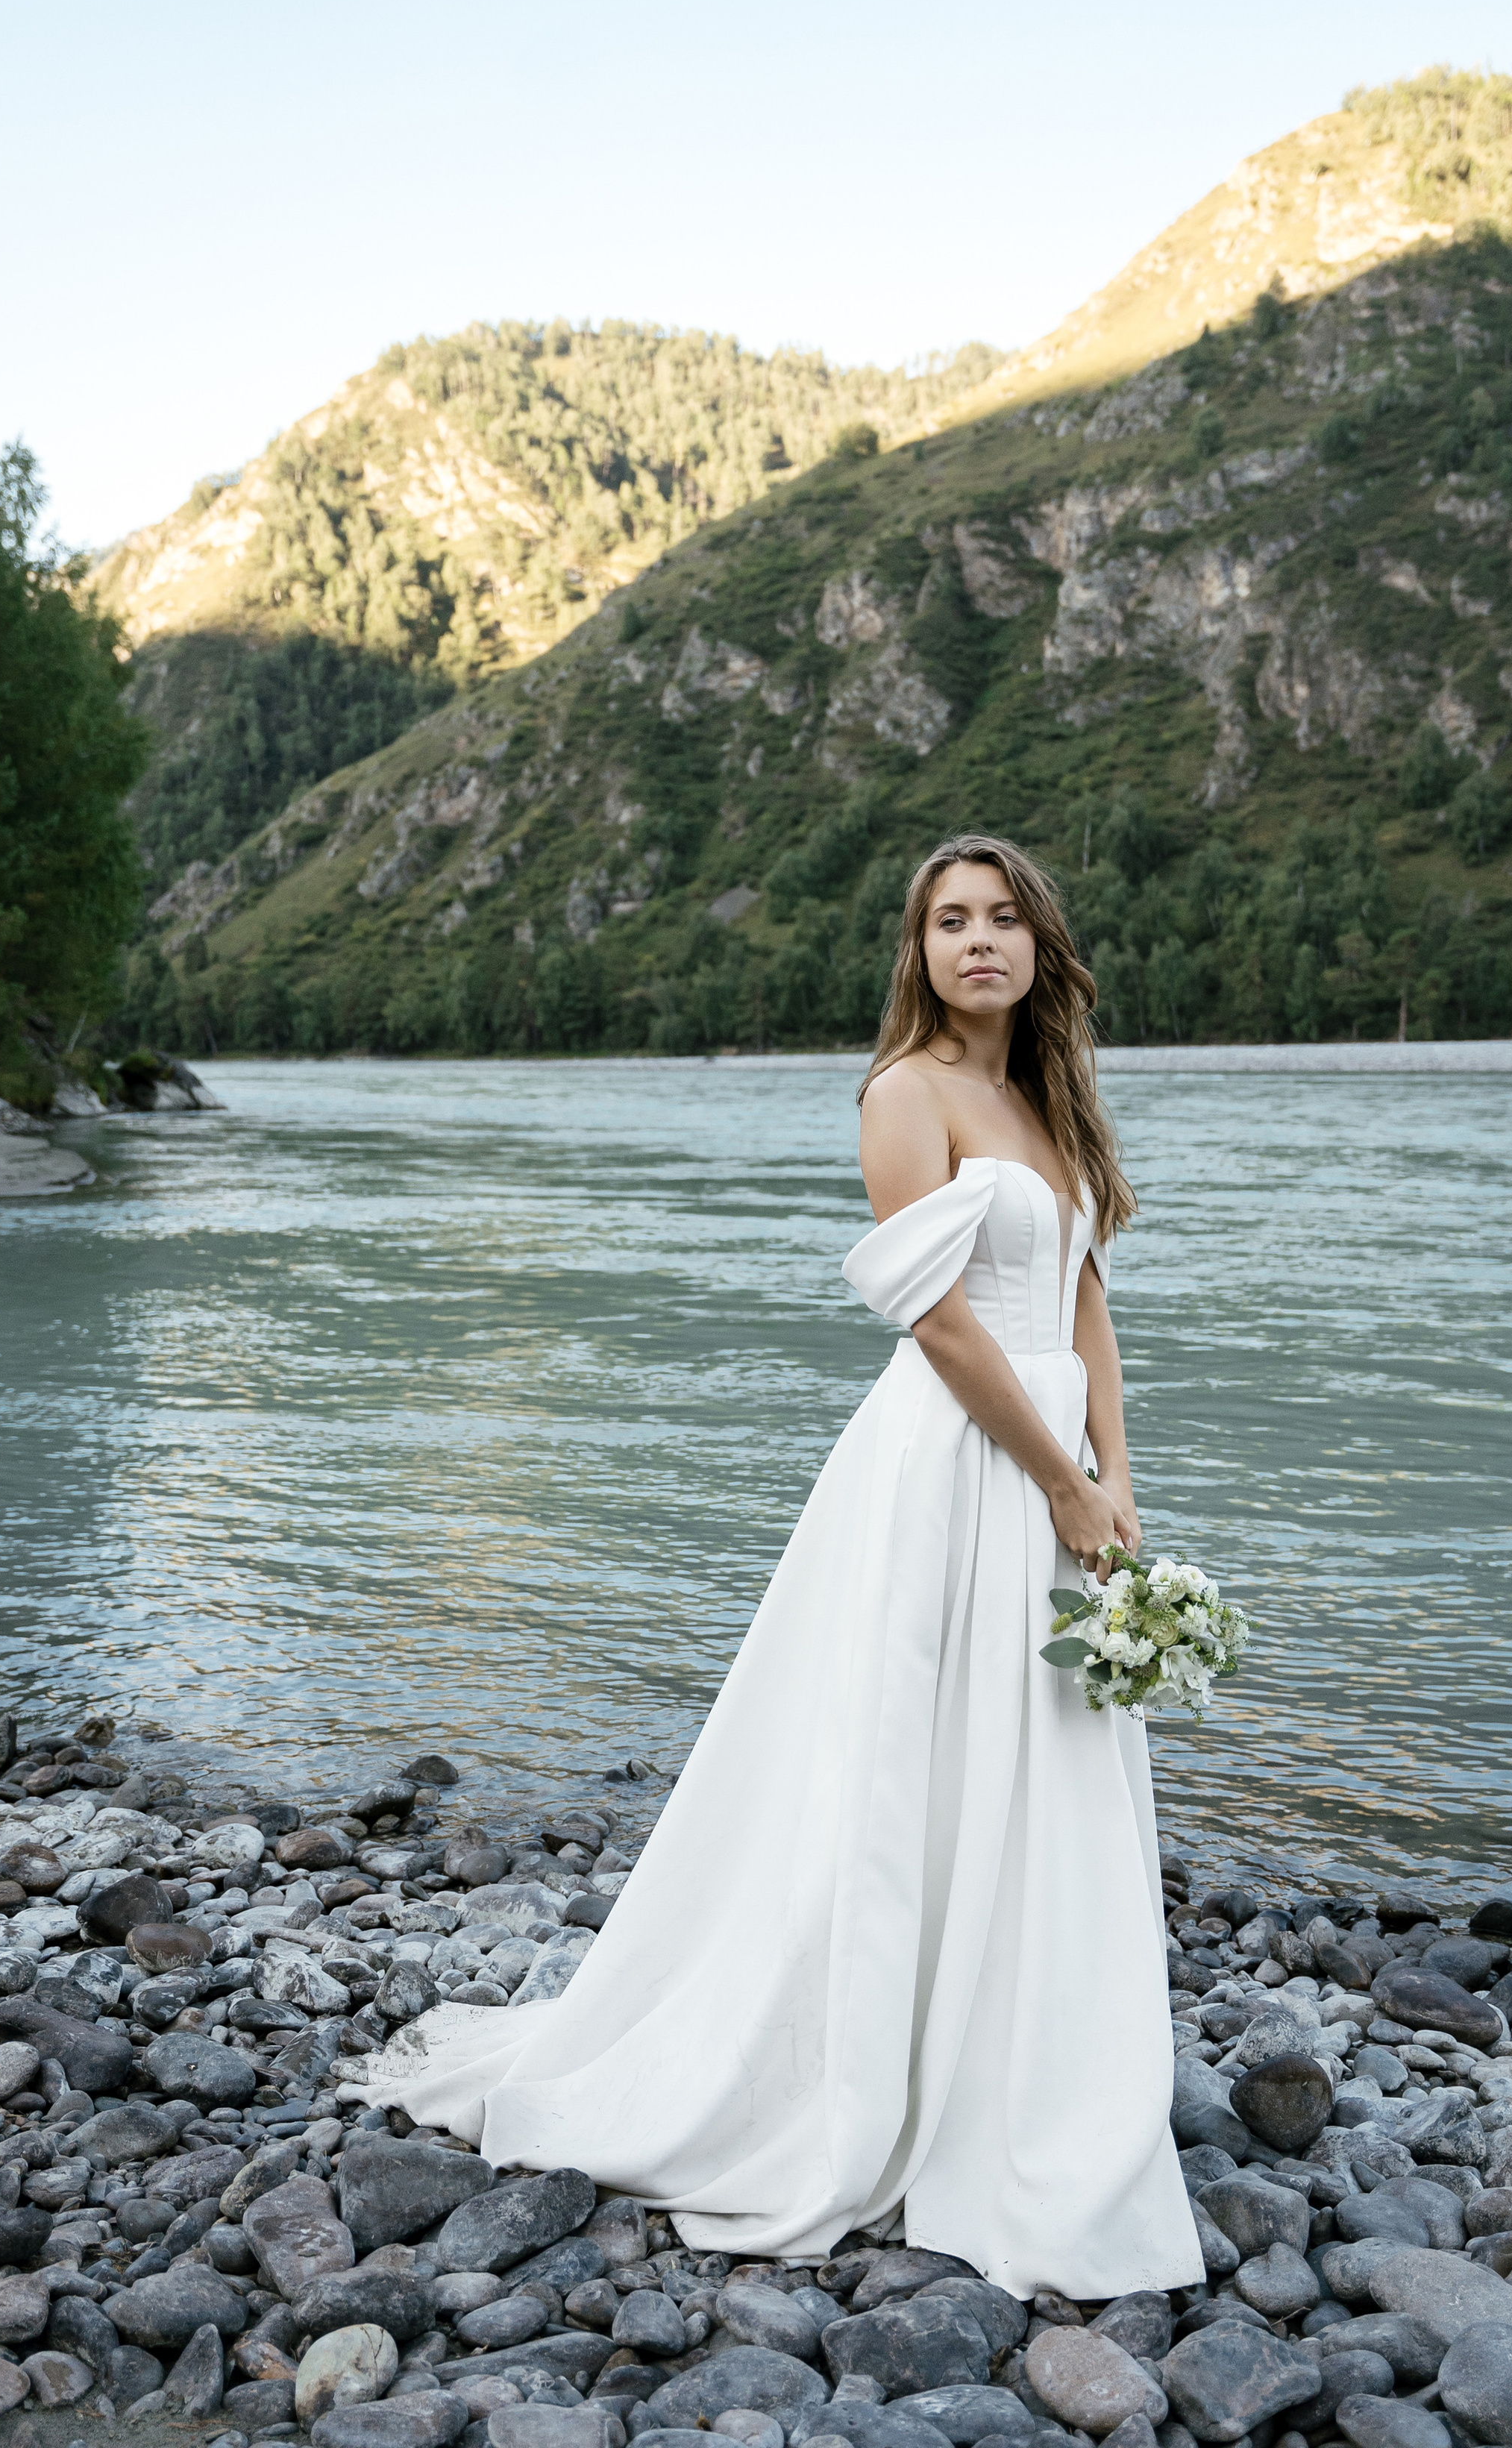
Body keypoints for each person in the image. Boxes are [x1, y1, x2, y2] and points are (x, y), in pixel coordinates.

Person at [397, 832, 1202, 2300]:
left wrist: (1117, 1484)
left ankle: (1022, 2051)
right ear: (919, 950)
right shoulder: (905, 1093)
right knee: (913, 1752)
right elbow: (941, 1325)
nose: (977, 941)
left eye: (1001, 918)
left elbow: (1085, 1295)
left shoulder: (1052, 1100)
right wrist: (1058, 1481)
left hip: (1059, 1464)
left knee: (1042, 1741)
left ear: (1039, 945)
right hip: (956, 1459)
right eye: (950, 920)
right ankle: (867, 2072)